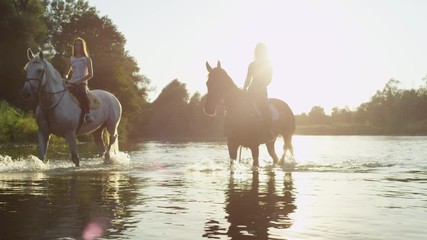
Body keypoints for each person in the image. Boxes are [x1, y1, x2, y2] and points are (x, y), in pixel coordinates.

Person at [243, 42, 273, 138]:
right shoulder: (251, 65)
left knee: (265, 110)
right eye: (257, 51)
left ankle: (268, 132)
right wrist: (244, 89)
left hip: (262, 92)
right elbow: (248, 79)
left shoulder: (269, 65)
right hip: (251, 91)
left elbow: (269, 80)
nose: (259, 53)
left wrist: (259, 89)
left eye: (261, 51)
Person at [66, 37, 94, 123]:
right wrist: (65, 78)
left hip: (82, 83)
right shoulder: (71, 59)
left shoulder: (87, 59)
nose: (77, 47)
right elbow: (66, 73)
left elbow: (90, 74)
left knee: (82, 93)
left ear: (82, 47)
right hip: (72, 82)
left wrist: (79, 81)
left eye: (79, 45)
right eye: (76, 45)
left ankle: (87, 114)